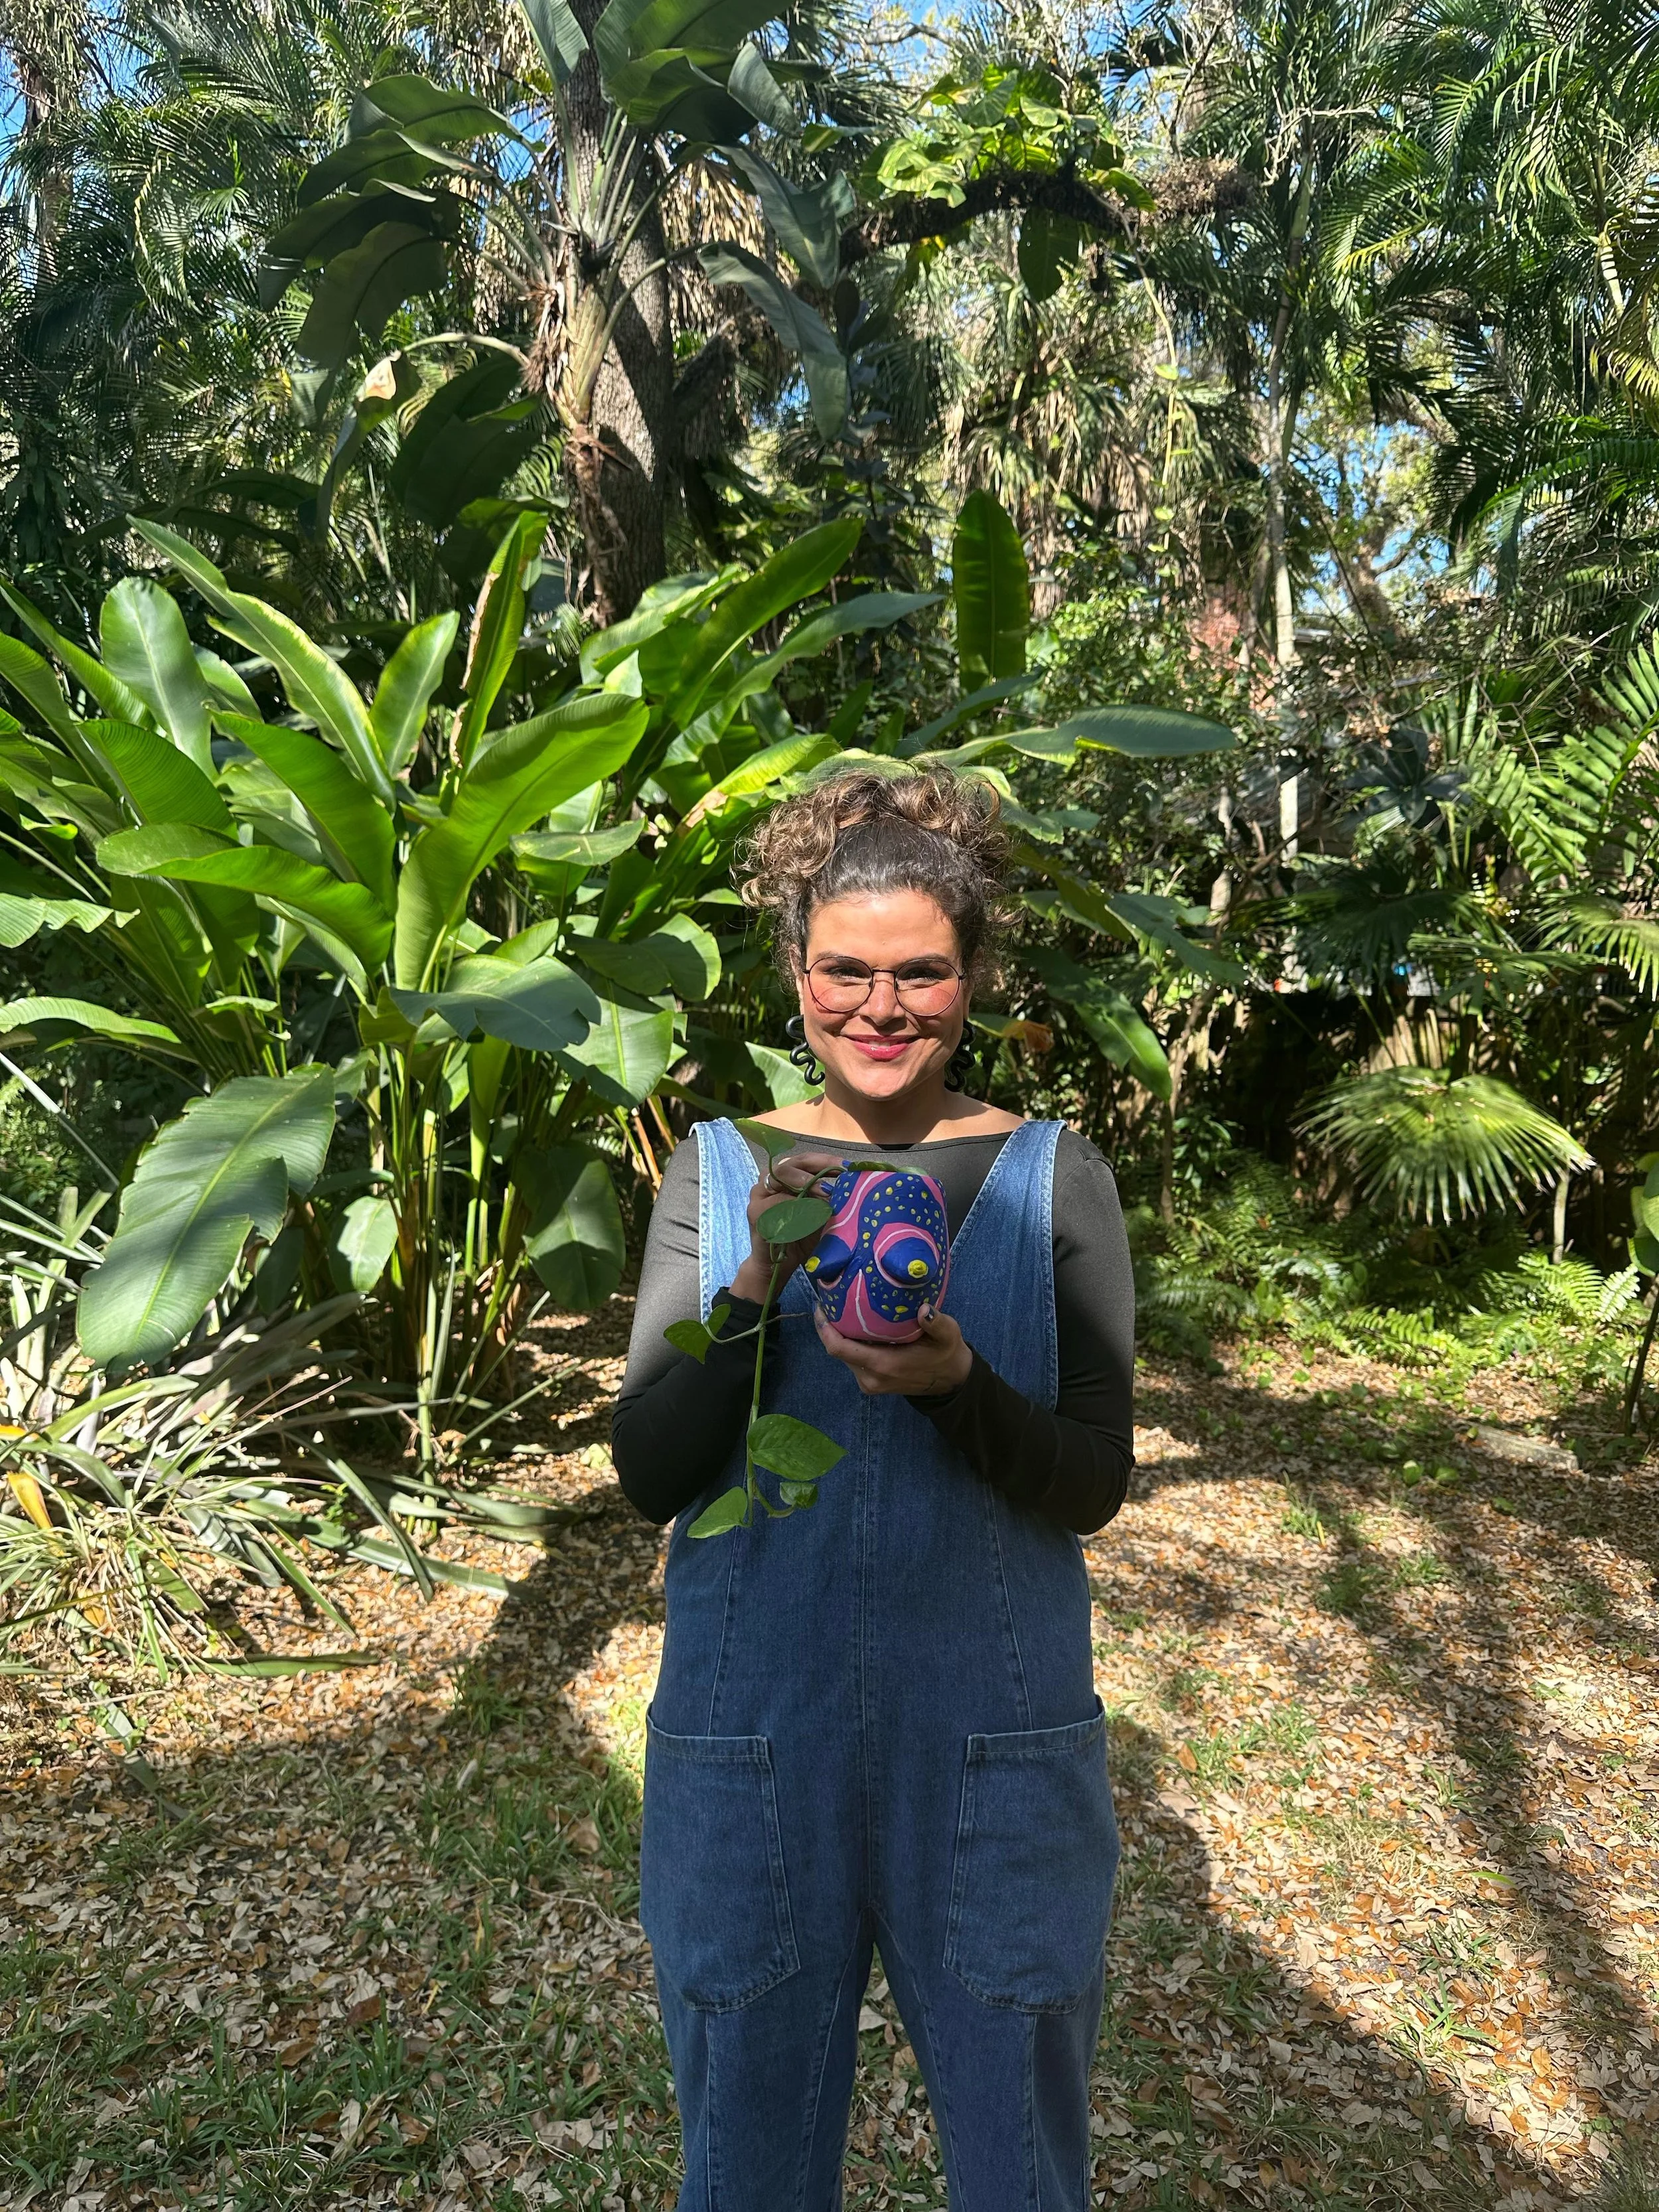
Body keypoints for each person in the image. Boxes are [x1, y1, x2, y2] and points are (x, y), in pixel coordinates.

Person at [611, 767, 1135, 2211]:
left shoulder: (1051, 1177)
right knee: (743, 2160)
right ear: (794, 971)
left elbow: (1093, 1480)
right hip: (748, 1737)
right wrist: (754, 1275)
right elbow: (647, 1466)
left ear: (973, 979)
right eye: (845, 970)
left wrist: (957, 1387)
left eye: (921, 973)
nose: (880, 1007)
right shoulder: (719, 1173)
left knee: (1019, 2158)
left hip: (993, 1747)